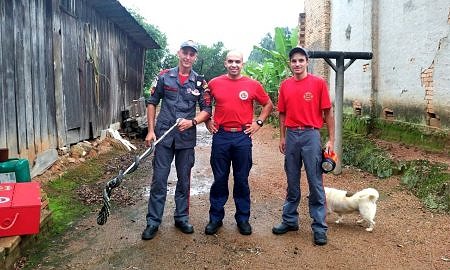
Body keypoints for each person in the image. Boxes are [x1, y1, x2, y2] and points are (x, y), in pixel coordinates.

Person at [142, 40, 212, 240]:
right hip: (164, 136)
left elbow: (207, 109)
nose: (188, 57)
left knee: (184, 180)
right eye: (185, 52)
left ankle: (181, 217)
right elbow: (152, 102)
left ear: (195, 57)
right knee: (159, 180)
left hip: (186, 138)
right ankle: (153, 222)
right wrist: (150, 131)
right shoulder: (164, 76)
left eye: (192, 54)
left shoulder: (199, 81)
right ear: (179, 53)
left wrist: (193, 122)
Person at [204, 50, 273, 236]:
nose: (234, 65)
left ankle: (243, 219)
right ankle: (215, 218)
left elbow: (268, 104)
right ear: (225, 63)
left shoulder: (252, 85)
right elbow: (205, 104)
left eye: (238, 61)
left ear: (243, 64)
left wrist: (258, 122)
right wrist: (207, 120)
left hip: (242, 137)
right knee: (220, 178)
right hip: (221, 137)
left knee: (241, 179)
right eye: (230, 61)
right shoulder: (214, 83)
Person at [272, 47, 335, 246]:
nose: (297, 64)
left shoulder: (318, 84)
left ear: (307, 61)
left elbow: (327, 113)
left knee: (315, 181)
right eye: (294, 61)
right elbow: (282, 113)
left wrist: (331, 140)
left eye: (301, 60)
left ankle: (319, 227)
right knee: (292, 180)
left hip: (311, 135)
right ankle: (290, 220)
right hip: (291, 135)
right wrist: (282, 137)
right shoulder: (285, 85)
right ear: (290, 64)